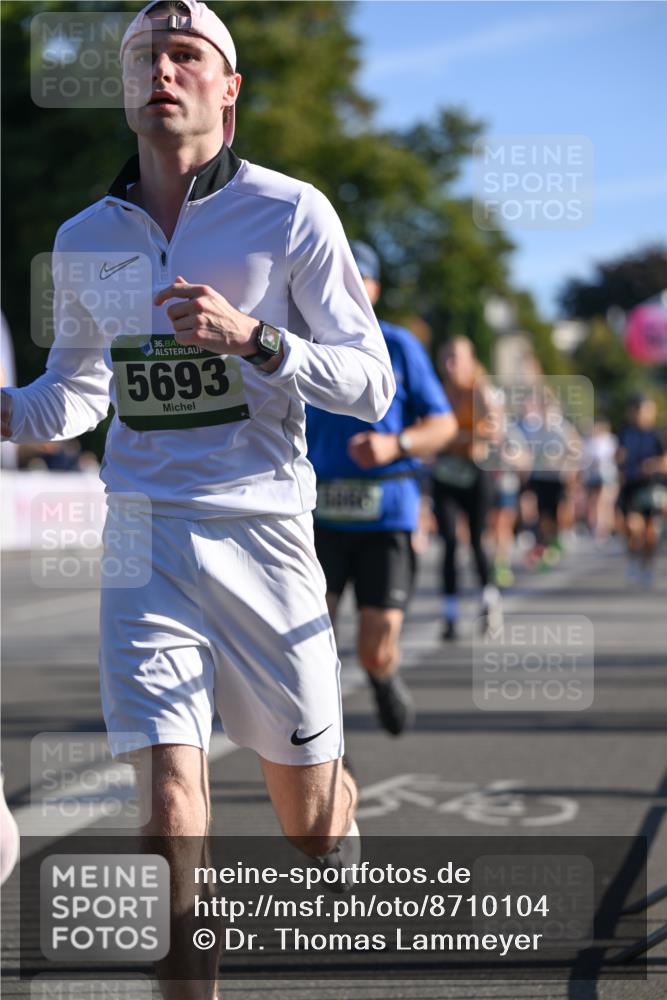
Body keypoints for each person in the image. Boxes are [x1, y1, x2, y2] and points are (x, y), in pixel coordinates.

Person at [1, 3, 396, 996]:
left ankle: (336, 798)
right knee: (171, 809)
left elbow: (371, 385)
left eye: (185, 55)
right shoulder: (85, 237)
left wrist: (256, 339)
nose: (162, 70)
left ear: (229, 89)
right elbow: (73, 395)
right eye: (145, 55)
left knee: (311, 830)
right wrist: (8, 412)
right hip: (146, 536)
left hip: (265, 536)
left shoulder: (290, 212)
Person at [306, 241, 457, 736]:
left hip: (386, 515)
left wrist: (396, 445)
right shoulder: (300, 341)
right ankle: (324, 742)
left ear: (374, 287)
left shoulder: (398, 345)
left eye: (359, 278)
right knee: (310, 644)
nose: (348, 288)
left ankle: (382, 675)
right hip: (318, 515)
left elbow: (444, 425)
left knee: (375, 643)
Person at [432, 336, 501, 641]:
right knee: (448, 541)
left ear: (471, 361)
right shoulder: (439, 391)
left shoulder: (481, 390)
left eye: (456, 358)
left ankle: (489, 601)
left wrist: (454, 437)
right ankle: (449, 613)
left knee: (476, 540)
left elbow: (494, 430)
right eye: (446, 358)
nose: (451, 365)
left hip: (475, 472)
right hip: (446, 473)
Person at [616, 394, 666, 586]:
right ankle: (633, 560)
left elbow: (665, 461)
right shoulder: (625, 433)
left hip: (653, 488)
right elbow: (618, 457)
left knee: (650, 533)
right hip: (631, 486)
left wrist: (652, 465)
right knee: (632, 527)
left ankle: (647, 566)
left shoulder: (658, 434)